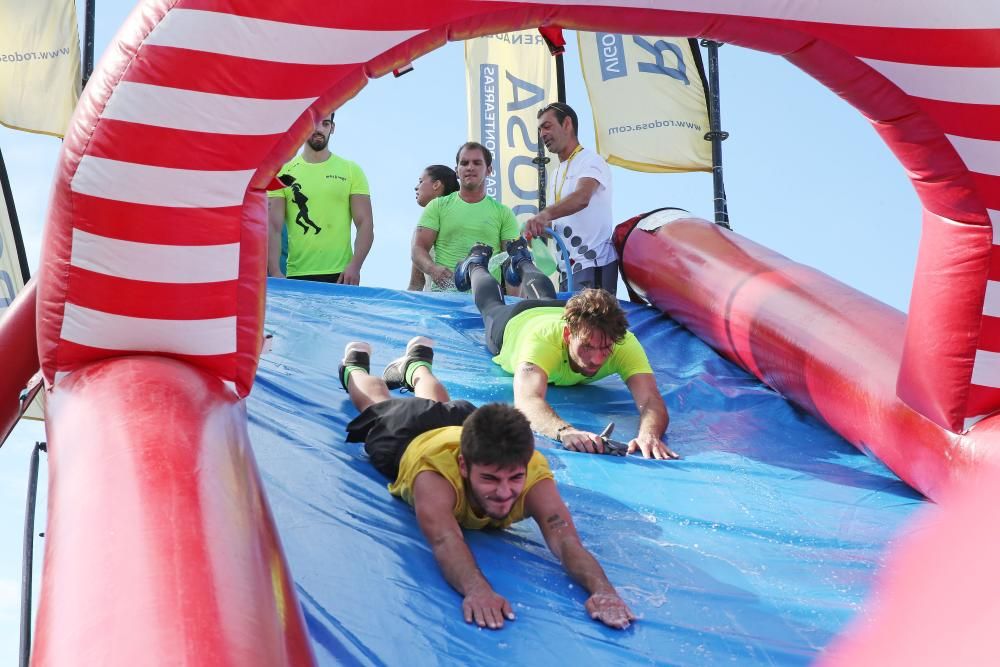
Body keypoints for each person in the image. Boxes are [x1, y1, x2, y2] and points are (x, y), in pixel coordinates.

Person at [338, 337, 636, 630]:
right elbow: (446, 539)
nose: (505, 492)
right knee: (375, 403)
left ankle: (416, 366)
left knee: (440, 403)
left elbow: (566, 541)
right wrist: (476, 589)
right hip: (407, 433)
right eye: (490, 479)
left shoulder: (533, 473)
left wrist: (603, 590)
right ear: (463, 467)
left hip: (463, 422)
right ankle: (355, 367)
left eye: (515, 477)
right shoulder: (434, 476)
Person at [454, 240, 676, 459]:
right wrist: (566, 431)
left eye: (606, 348)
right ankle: (476, 264)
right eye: (587, 347)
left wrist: (649, 435)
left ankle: (521, 258)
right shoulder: (541, 342)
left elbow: (650, 399)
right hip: (517, 321)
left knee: (547, 299)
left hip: (555, 310)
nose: (597, 359)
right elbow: (527, 401)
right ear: (568, 335)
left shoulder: (623, 341)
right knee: (492, 306)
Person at [267, 112, 374, 284]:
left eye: (325, 124)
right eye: (314, 124)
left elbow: (365, 222)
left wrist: (355, 266)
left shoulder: (351, 170)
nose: (319, 129)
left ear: (332, 128)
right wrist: (274, 271)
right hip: (296, 275)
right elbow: (273, 227)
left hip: (341, 276)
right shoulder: (282, 173)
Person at [524, 102, 618, 293]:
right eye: (540, 129)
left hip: (593, 263)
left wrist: (544, 215)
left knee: (593, 324)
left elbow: (582, 197)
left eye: (547, 126)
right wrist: (536, 229)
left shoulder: (590, 160)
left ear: (567, 124)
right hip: (567, 271)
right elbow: (557, 223)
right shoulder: (556, 173)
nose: (542, 134)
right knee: (571, 324)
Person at [411, 142, 519, 291]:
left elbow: (512, 263)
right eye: (464, 163)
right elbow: (418, 249)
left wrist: (513, 306)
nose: (470, 167)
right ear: (457, 171)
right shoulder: (437, 206)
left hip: (486, 305)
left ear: (489, 170)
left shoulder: (504, 213)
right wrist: (432, 269)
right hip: (444, 304)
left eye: (477, 163)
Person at [408, 165, 460, 291]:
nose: (416, 187)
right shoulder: (422, 230)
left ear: (436, 185)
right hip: (433, 307)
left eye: (421, 181)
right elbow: (416, 284)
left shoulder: (460, 221)